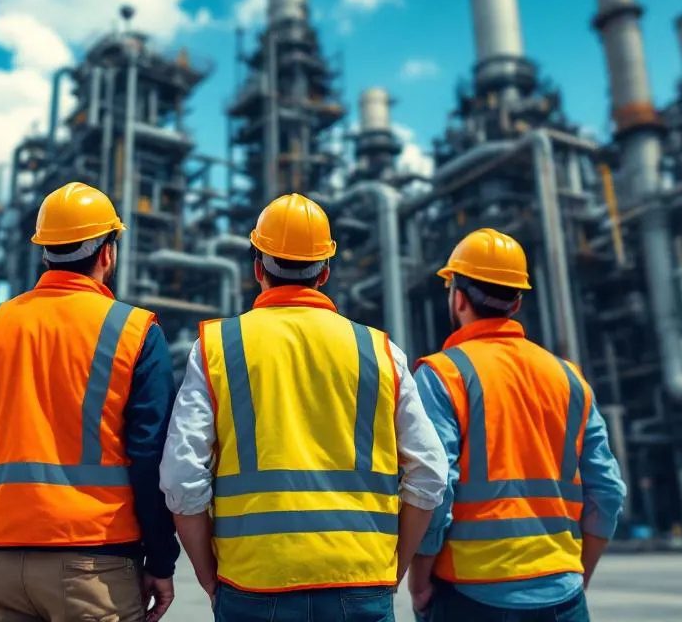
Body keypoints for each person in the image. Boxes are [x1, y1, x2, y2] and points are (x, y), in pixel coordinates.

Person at [161, 193, 449, 622]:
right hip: (361, 582)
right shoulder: (380, 351)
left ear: (257, 266)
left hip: (253, 585)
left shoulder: (218, 348)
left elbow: (182, 479)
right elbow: (430, 474)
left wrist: (208, 576)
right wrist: (393, 568)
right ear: (326, 271)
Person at [0, 182, 179, 622]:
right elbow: (150, 456)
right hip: (95, 566)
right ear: (107, 253)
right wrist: (160, 559)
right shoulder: (133, 332)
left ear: (45, 252)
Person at [407, 228, 627, 622]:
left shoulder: (444, 375)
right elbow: (608, 492)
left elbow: (435, 487)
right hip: (564, 593)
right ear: (518, 301)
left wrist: (419, 580)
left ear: (457, 297)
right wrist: (579, 574)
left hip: (469, 597)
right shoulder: (569, 379)